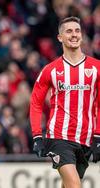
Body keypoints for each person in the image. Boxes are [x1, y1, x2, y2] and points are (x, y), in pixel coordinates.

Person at [30, 16, 100, 188]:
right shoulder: (50, 70)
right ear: (60, 37)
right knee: (75, 185)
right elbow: (36, 103)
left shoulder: (96, 67)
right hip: (59, 136)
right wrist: (37, 135)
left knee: (68, 185)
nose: (74, 35)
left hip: (86, 137)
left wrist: (98, 135)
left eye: (77, 31)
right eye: (69, 31)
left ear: (82, 36)